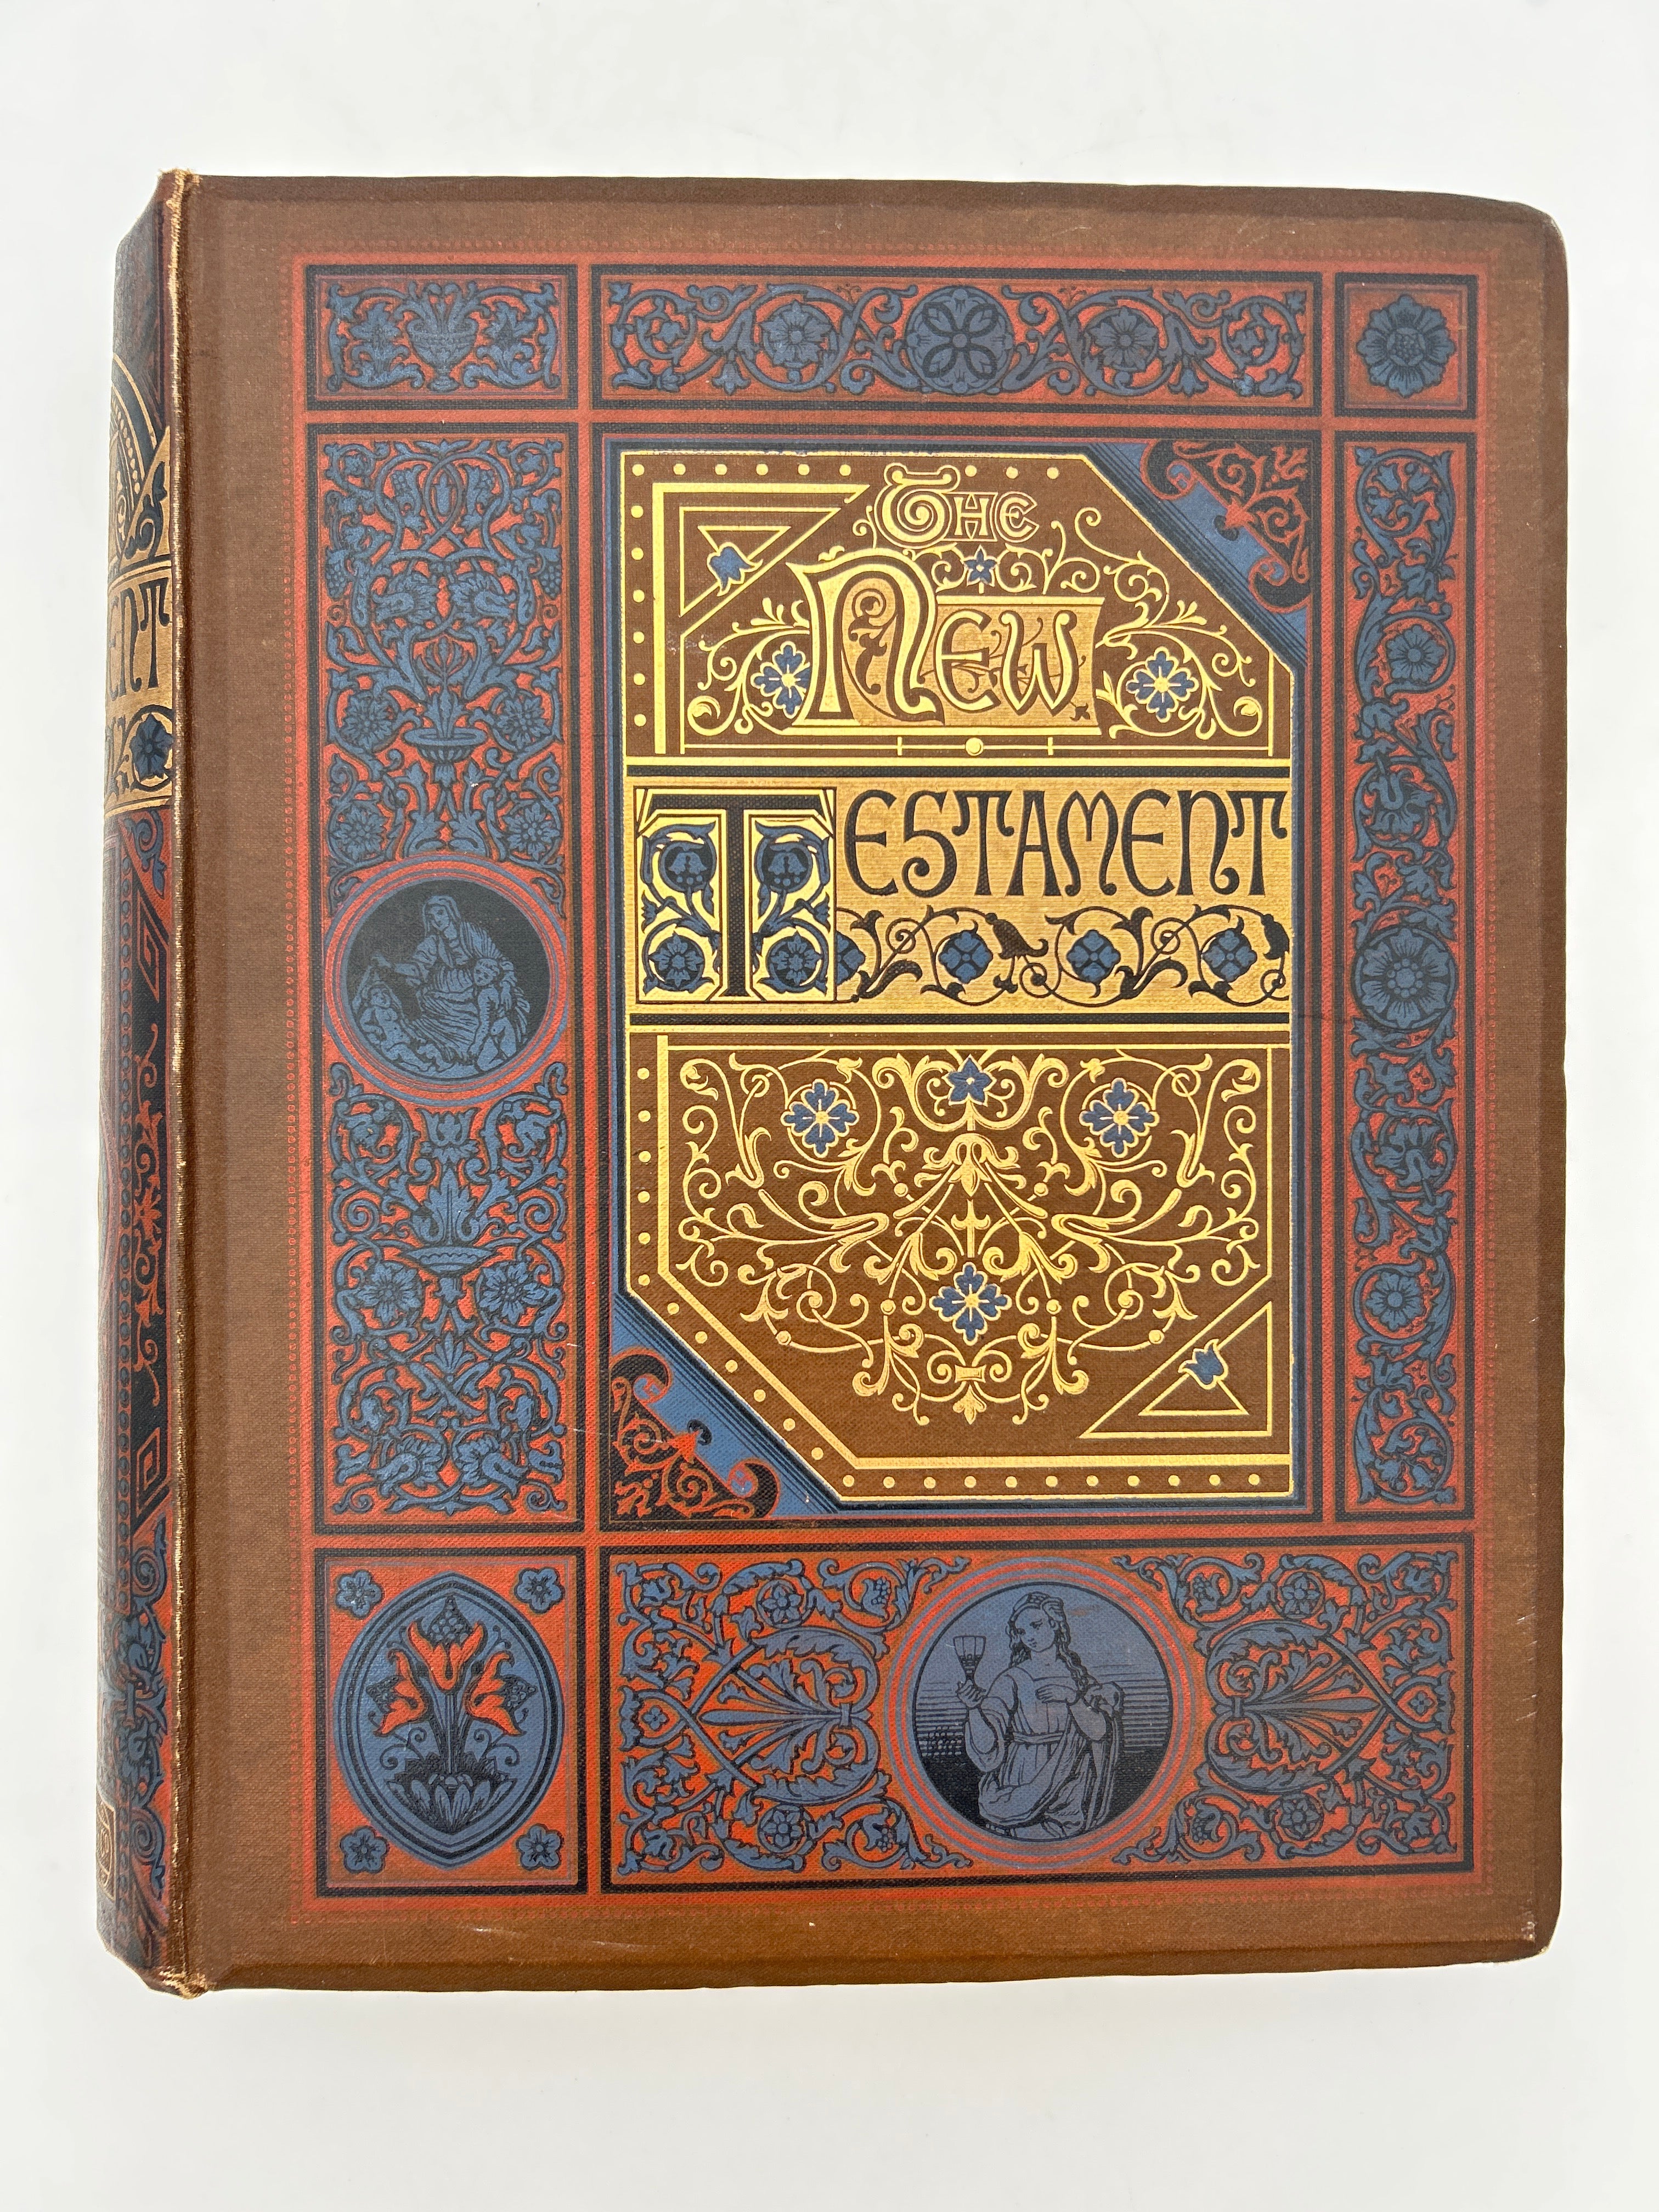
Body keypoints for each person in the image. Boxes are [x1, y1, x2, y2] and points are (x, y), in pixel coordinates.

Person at [961, 1590, 1122, 1839]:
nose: (1030, 1637)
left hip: (1072, 1781)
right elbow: (986, 1746)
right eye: (1022, 1631)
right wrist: (974, 1710)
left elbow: (1100, 1732)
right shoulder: (1011, 1679)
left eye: (1036, 1626)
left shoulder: (1081, 1679)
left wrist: (1072, 1699)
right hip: (1024, 1776)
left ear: (1055, 1624)